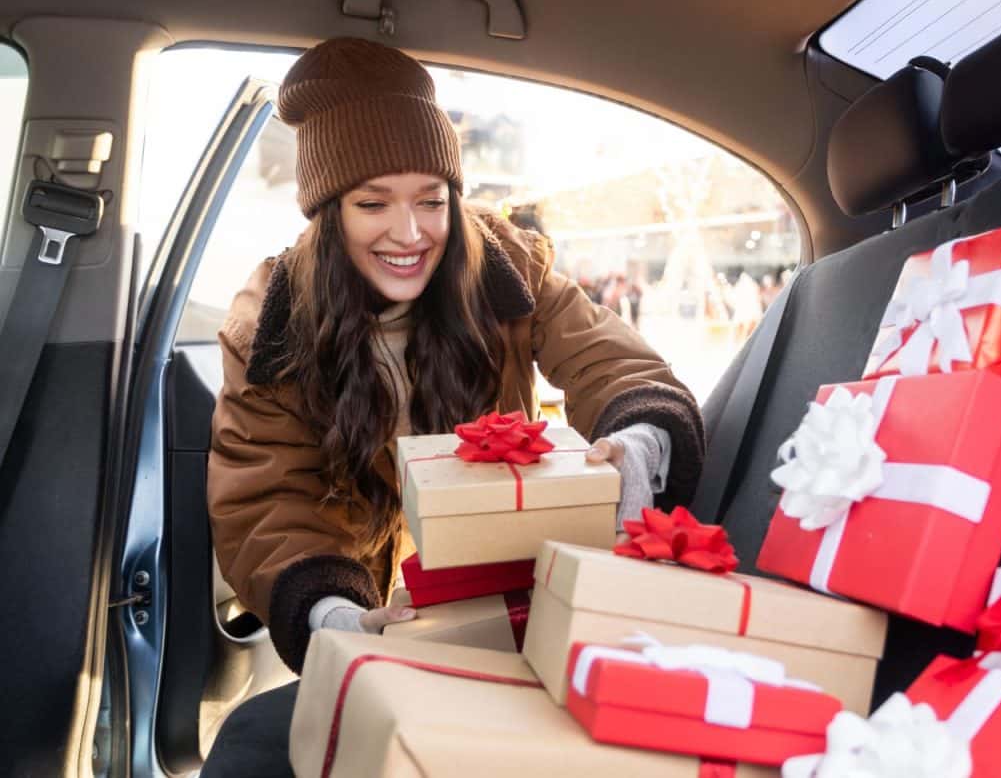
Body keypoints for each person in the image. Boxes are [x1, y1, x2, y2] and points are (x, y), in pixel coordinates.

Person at [201, 37, 703, 775]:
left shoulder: (506, 266)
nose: (410, 234)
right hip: (378, 613)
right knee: (250, 749)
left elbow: (610, 360)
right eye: (374, 203)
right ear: (328, 212)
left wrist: (640, 445)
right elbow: (264, 498)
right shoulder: (271, 321)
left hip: (518, 604)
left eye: (431, 200)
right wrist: (339, 619)